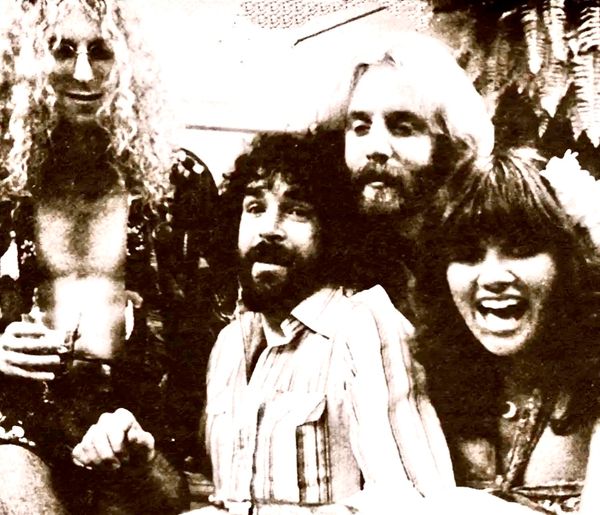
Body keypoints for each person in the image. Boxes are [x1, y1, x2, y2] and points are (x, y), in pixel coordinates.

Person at [0, 0, 218, 512]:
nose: (83, 72)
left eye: (100, 51)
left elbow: (210, 331)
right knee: (12, 482)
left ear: (127, 64)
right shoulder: (4, 182)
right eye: (62, 50)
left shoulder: (178, 182)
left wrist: (168, 444)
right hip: (19, 425)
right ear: (29, 61)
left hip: (140, 426)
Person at [182, 130, 464, 515]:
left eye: (297, 211)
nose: (269, 228)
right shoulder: (230, 343)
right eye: (255, 207)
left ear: (333, 228)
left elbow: (413, 504)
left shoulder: (362, 327)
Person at [413, 148, 600, 513]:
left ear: (568, 264)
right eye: (468, 255)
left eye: (520, 249)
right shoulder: (423, 383)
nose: (493, 277)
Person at [334, 31, 494, 315]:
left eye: (403, 129)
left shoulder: (483, 260)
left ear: (450, 143)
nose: (376, 147)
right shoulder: (334, 261)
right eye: (360, 128)